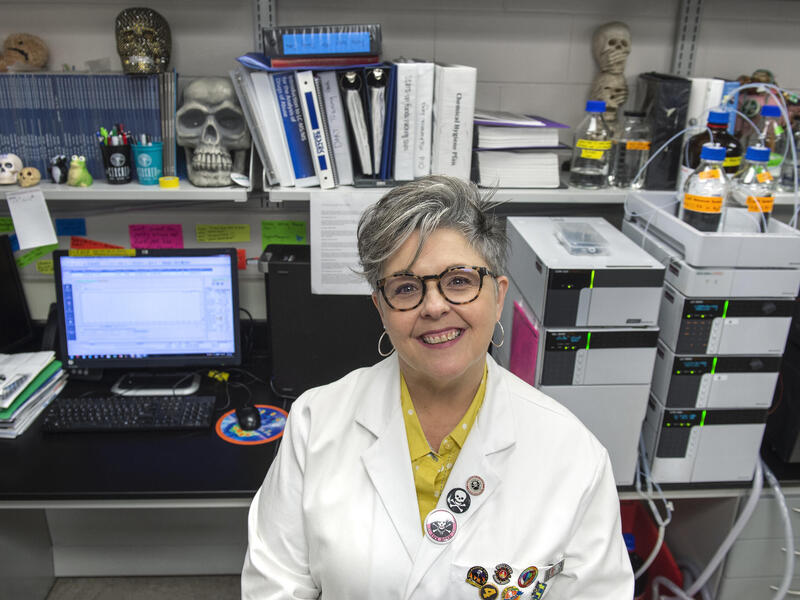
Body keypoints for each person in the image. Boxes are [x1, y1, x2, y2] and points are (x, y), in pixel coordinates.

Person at [242, 175, 633, 599]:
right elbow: (274, 586)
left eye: (459, 280)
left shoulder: (574, 456)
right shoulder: (315, 423)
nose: (434, 306)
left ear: (498, 295)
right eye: (406, 288)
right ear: (381, 308)